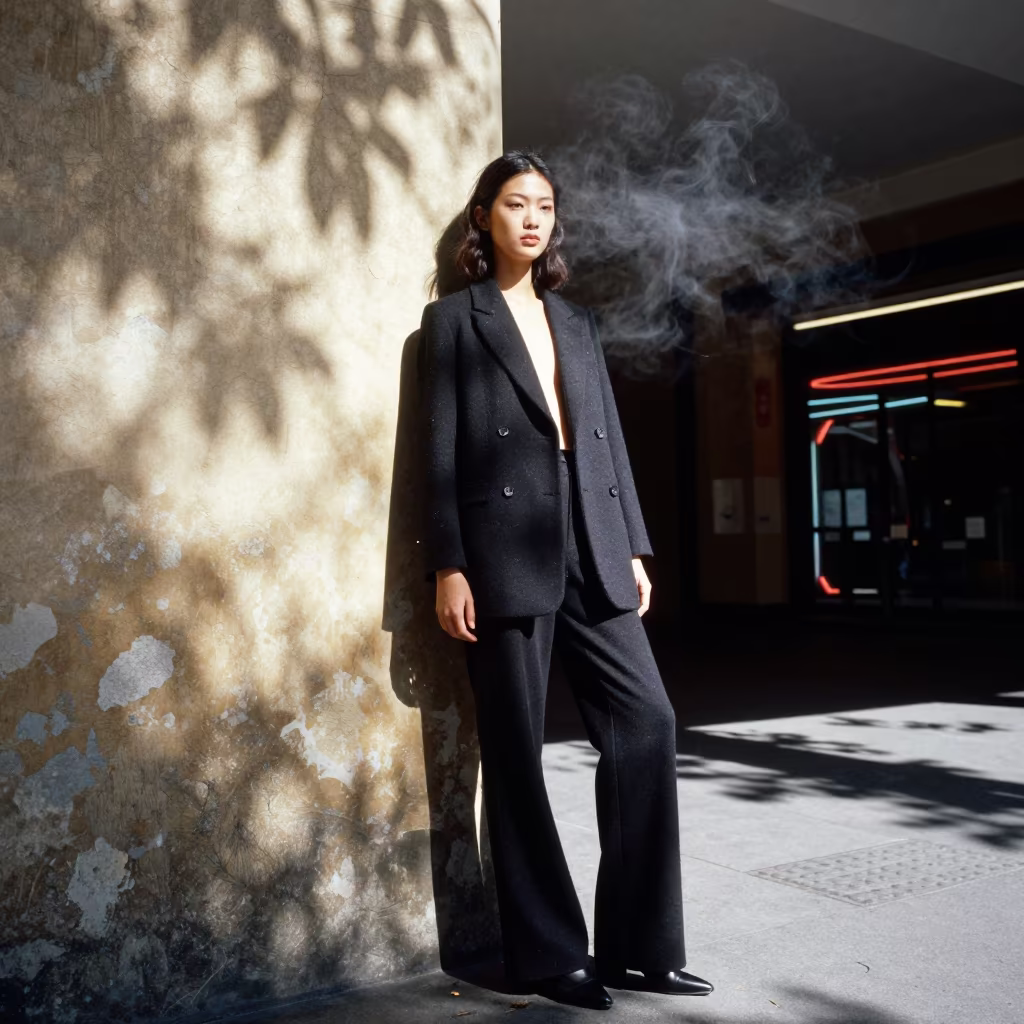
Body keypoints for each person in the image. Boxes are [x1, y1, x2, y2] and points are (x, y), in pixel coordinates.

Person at [417, 151, 713, 1011]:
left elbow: (608, 441)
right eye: (516, 204)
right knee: (515, 756)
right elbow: (433, 456)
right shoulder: (453, 323)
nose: (534, 219)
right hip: (501, 550)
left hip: (591, 538)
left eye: (545, 206)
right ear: (483, 217)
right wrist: (449, 563)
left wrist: (631, 546)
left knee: (647, 720)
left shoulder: (576, 323)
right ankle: (549, 955)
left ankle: (642, 946)